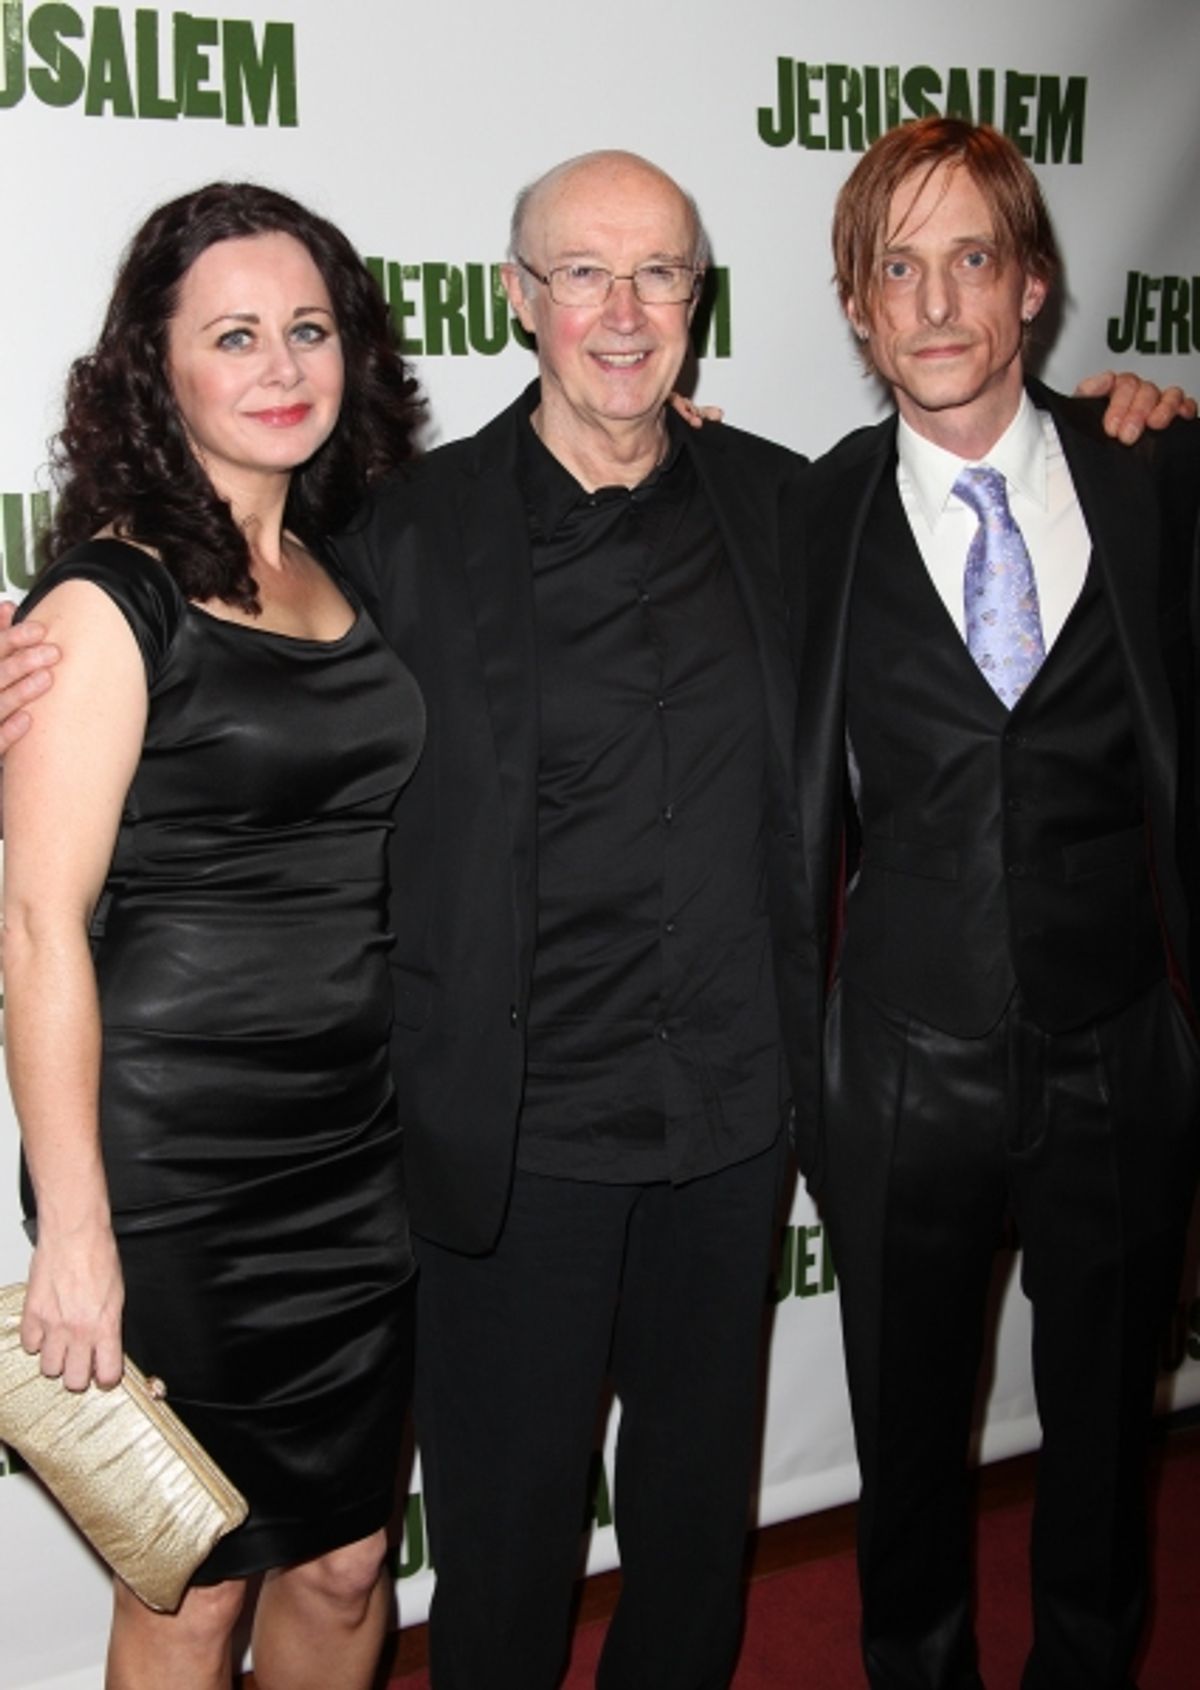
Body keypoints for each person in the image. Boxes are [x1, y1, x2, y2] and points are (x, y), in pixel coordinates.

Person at [0, 151, 1186, 1690]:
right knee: (495, 1562)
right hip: (505, 1145)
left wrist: (1128, 416)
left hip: (732, 1128)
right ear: (520, 298)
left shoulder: (793, 501)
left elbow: (993, 492)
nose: (622, 313)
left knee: (693, 1554)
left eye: (661, 276)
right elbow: (210, 644)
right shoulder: (398, 538)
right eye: (581, 274)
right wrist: (40, 644)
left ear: (701, 302)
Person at [786, 117, 1200, 1689]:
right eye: (900, 266)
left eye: (974, 257)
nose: (939, 300)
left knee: (1107, 1445)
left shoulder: (1157, 470)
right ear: (856, 305)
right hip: (898, 1059)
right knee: (905, 1468)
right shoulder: (799, 514)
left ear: (1034, 285)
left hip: (1122, 1047)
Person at [2, 183, 425, 1690]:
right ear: (153, 371)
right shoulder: (108, 602)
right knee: (191, 1584)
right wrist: (80, 1229)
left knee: (352, 1555)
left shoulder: (350, 562)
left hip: (357, 1152)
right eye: (232, 334)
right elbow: (40, 926)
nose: (280, 364)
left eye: (306, 328)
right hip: (176, 1172)